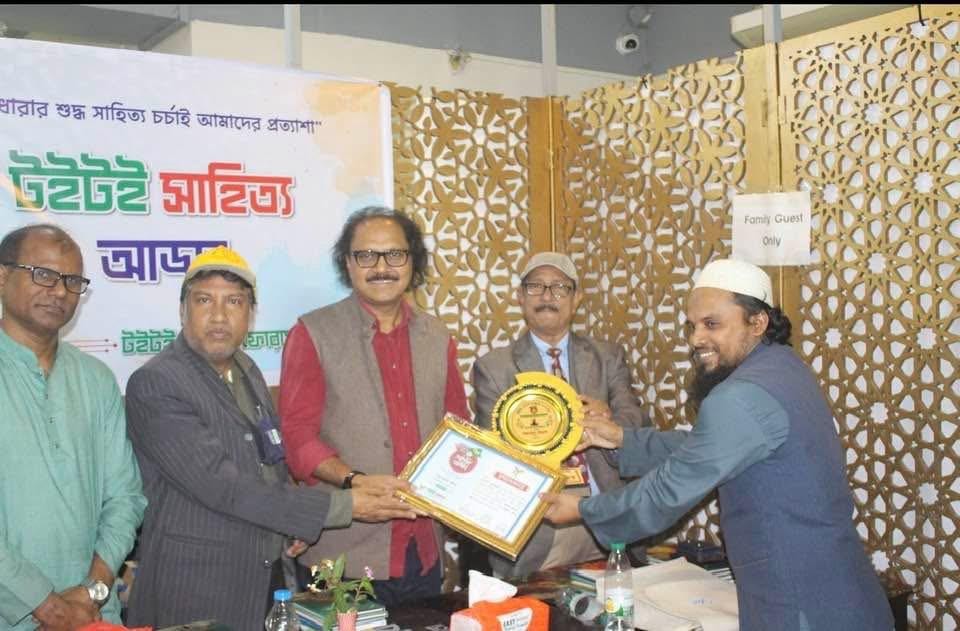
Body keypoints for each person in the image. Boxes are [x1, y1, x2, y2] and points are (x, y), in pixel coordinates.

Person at [542, 258, 894, 631]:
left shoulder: (740, 395)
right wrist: (622, 440)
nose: (696, 339)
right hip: (840, 593)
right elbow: (707, 447)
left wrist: (584, 509)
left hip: (799, 604)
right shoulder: (783, 367)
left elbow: (668, 490)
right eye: (692, 325)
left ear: (757, 322)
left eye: (712, 324)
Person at [125, 246, 418, 631]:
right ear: (183, 310)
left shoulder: (245, 369)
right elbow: (223, 487)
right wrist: (341, 506)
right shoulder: (157, 383)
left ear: (250, 314)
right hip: (195, 591)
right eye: (204, 300)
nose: (219, 315)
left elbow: (269, 459)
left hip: (259, 579)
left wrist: (291, 525)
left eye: (234, 301)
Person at [279, 206, 470, 606]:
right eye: (366, 255)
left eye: (394, 254)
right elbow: (297, 439)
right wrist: (354, 480)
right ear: (347, 264)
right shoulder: (313, 333)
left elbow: (458, 431)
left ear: (412, 261)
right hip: (343, 551)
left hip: (423, 546)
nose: (381, 267)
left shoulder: (437, 336)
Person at [0, 224, 146, 631]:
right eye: (43, 274)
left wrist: (92, 590)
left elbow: (126, 497)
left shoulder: (96, 380)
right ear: (2, 276)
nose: (60, 292)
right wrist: (46, 606)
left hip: (93, 614)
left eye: (72, 281)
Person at [472, 251, 649, 577]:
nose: (547, 296)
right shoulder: (494, 367)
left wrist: (607, 417)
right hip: (540, 520)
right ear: (520, 297)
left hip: (604, 512)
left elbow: (637, 424)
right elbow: (492, 452)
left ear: (576, 298)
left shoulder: (607, 356)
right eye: (535, 286)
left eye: (559, 287)